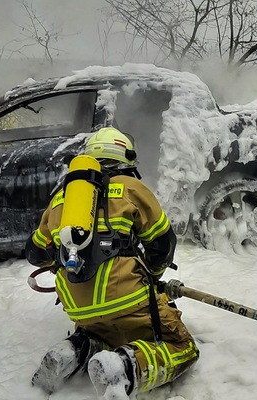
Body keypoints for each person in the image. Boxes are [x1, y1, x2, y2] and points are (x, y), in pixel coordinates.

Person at [24, 127, 199, 399]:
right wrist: (152, 277)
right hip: (127, 299)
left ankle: (74, 351)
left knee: (104, 332)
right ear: (125, 158)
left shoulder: (62, 199)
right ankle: (125, 369)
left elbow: (35, 253)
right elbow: (163, 244)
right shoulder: (131, 188)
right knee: (182, 346)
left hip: (80, 308)